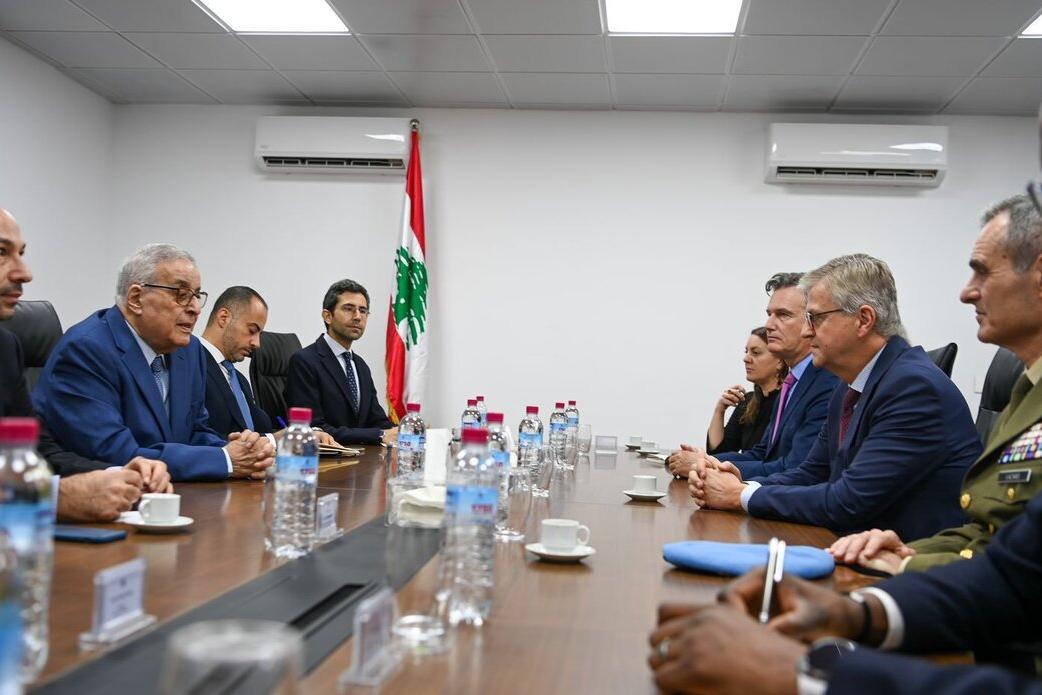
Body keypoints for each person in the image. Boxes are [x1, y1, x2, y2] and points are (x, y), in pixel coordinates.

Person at [690, 254, 981, 541]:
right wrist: (740, 482)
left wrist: (740, 495)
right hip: (848, 544)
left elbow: (848, 501)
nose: (806, 331)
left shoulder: (913, 388)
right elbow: (811, 472)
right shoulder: (850, 386)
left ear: (863, 319)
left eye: (814, 318)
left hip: (899, 567)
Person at [830, 195, 1042, 575]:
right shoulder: (1026, 392)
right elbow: (985, 532)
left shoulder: (912, 383)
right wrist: (908, 555)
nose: (967, 292)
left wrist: (899, 579)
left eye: (983, 272)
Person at [33, 244, 274, 481]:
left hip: (173, 497)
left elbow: (196, 431)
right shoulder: (86, 350)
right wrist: (224, 460)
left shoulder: (189, 351)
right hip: (107, 504)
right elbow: (114, 453)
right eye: (181, 295)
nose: (194, 309)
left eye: (197, 296)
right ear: (136, 298)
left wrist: (239, 451)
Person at [0, 208, 171, 522]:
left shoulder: (5, 346)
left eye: (21, 254)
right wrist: (54, 497)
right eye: (1, 252)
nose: (24, 273)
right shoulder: (87, 346)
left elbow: (40, 454)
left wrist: (120, 473)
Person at [668, 272, 839, 479]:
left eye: (783, 314)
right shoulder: (792, 383)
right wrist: (706, 460)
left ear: (812, 321)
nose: (769, 325)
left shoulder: (828, 384)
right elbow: (762, 454)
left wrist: (706, 466)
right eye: (769, 314)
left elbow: (796, 468)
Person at [200, 286, 335, 446]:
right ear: (223, 318)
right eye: (252, 330)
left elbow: (254, 434)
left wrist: (301, 434)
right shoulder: (192, 365)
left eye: (259, 334)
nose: (257, 344)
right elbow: (197, 438)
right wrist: (272, 439)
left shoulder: (239, 380)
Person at [286, 279, 396, 446]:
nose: (358, 317)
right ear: (327, 316)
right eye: (349, 309)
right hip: (324, 464)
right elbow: (315, 429)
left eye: (363, 311)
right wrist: (379, 434)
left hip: (362, 461)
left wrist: (402, 431)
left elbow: (377, 421)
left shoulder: (360, 366)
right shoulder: (304, 361)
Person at [706, 326, 786, 455]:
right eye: (746, 352)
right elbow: (719, 453)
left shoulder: (787, 401)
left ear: (780, 362)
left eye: (756, 353)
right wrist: (719, 410)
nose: (746, 359)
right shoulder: (748, 401)